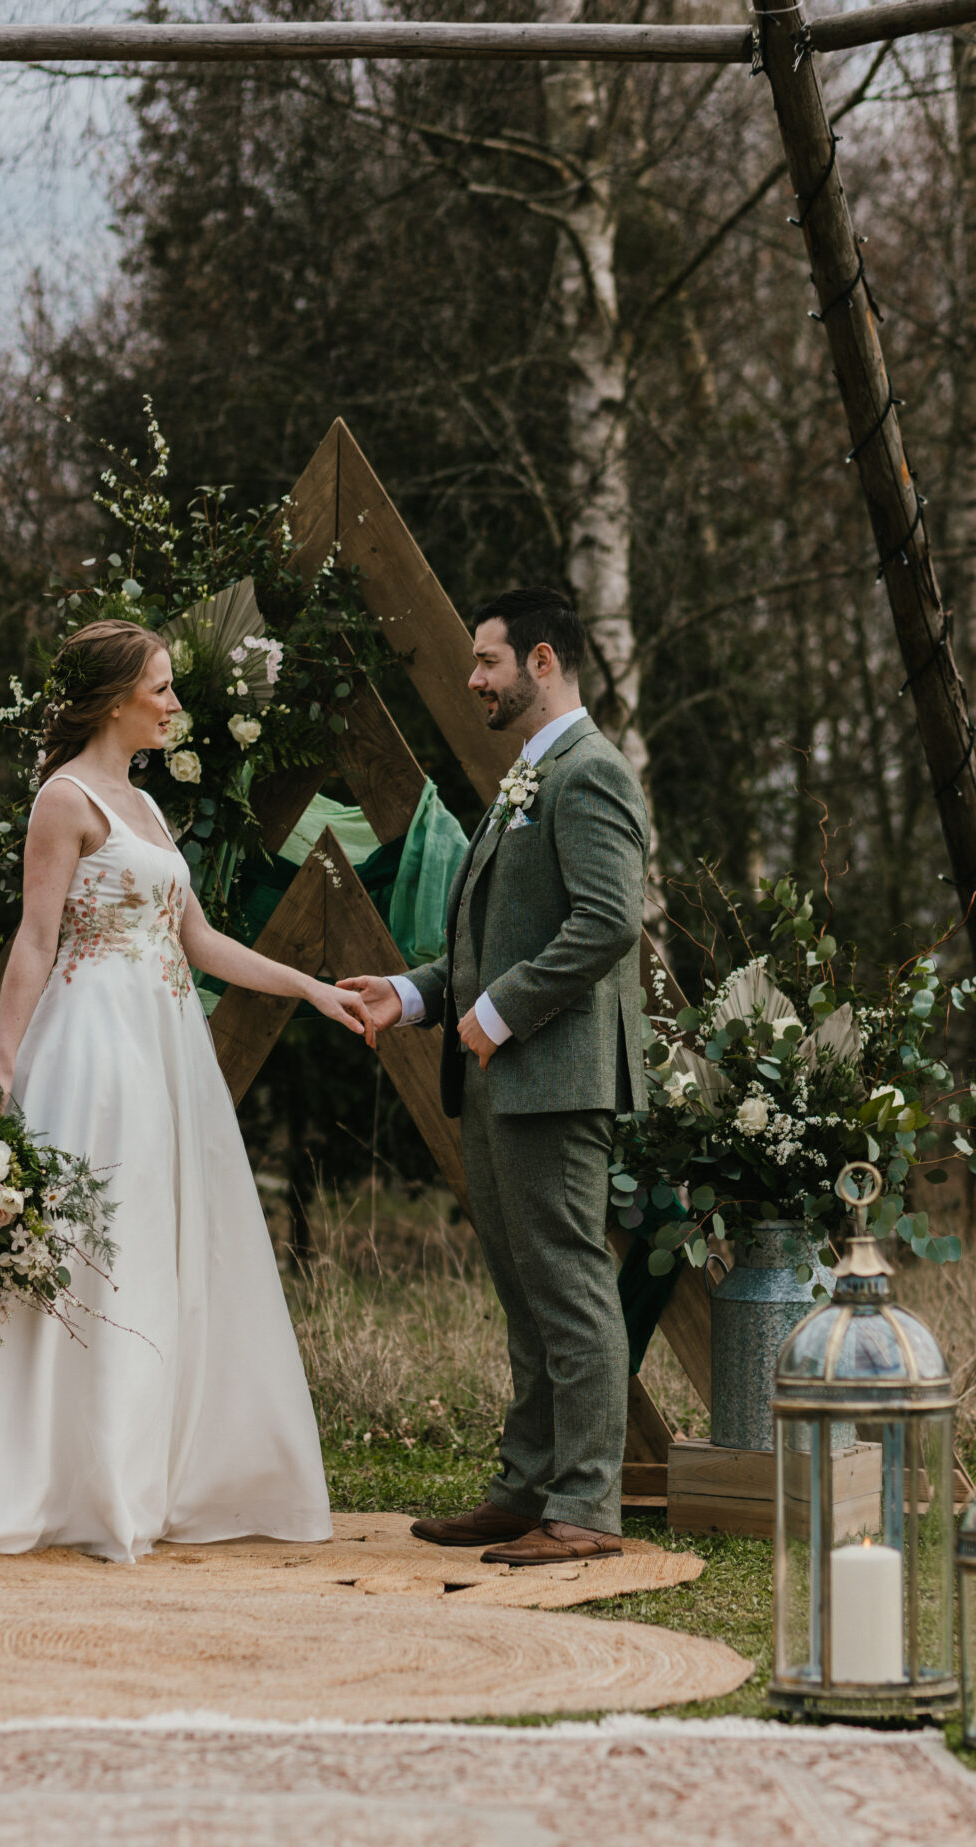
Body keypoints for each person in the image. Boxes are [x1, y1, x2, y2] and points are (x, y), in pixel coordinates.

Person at [0, 620, 367, 1561]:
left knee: (159, 1243)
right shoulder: (66, 798)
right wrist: (4, 1070)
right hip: (95, 1049)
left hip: (168, 1046)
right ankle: (48, 1474)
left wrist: (310, 988)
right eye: (162, 688)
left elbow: (198, 942)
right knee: (93, 1241)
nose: (175, 704)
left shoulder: (148, 807)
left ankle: (147, 1471)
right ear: (112, 700)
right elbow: (35, 940)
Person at [340, 589, 649, 1566]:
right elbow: (487, 944)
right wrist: (410, 994)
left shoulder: (591, 773)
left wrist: (501, 1013)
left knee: (570, 1289)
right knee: (527, 1295)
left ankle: (588, 1507)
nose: (474, 678)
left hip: (558, 1077)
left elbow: (607, 923)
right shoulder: (528, 775)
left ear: (543, 661)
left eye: (488, 661)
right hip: (503, 1077)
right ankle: (525, 1491)